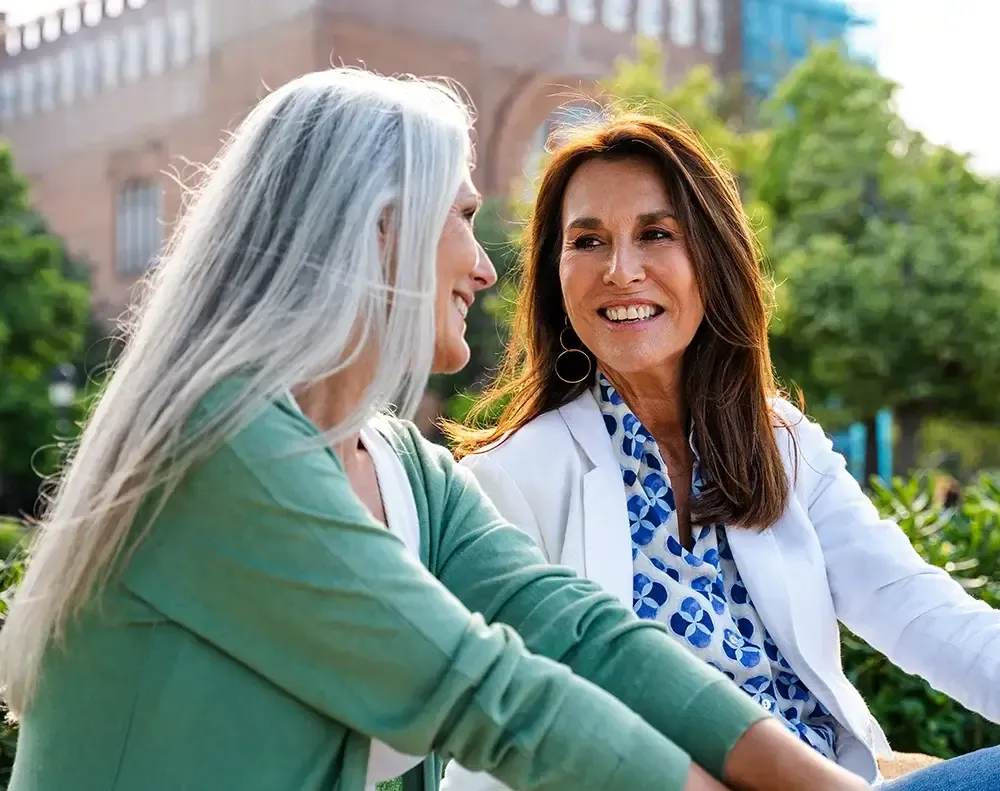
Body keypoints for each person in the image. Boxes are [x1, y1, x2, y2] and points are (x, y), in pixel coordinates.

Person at [0, 70, 869, 791]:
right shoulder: (220, 441)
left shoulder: (407, 470)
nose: (488, 266)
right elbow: (482, 691)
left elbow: (581, 633)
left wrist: (823, 786)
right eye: (460, 217)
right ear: (378, 226)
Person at [443, 114, 1000, 791]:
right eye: (588, 240)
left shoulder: (780, 443)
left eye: (656, 234)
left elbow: (920, 610)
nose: (621, 271)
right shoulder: (508, 480)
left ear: (712, 255)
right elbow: (508, 735)